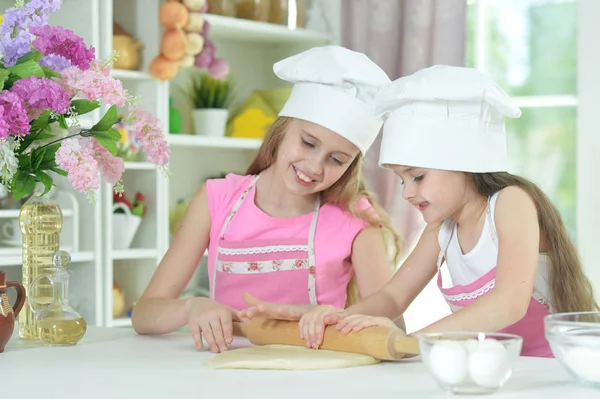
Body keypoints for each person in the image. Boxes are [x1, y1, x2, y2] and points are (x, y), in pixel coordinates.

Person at [241, 65, 599, 358]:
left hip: (556, 372)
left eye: (417, 177)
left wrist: (416, 342)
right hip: (500, 371)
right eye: (401, 180)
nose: (408, 193)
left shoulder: (510, 203)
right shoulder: (443, 229)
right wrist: (340, 319)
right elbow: (394, 297)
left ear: (465, 162)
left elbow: (508, 303)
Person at [131, 45, 403, 354]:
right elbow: (145, 314)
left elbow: (395, 327)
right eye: (308, 143)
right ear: (282, 130)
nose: (314, 167)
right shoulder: (216, 199)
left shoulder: (356, 218)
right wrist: (192, 307)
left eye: (337, 160)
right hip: (224, 373)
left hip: (319, 376)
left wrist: (341, 317)